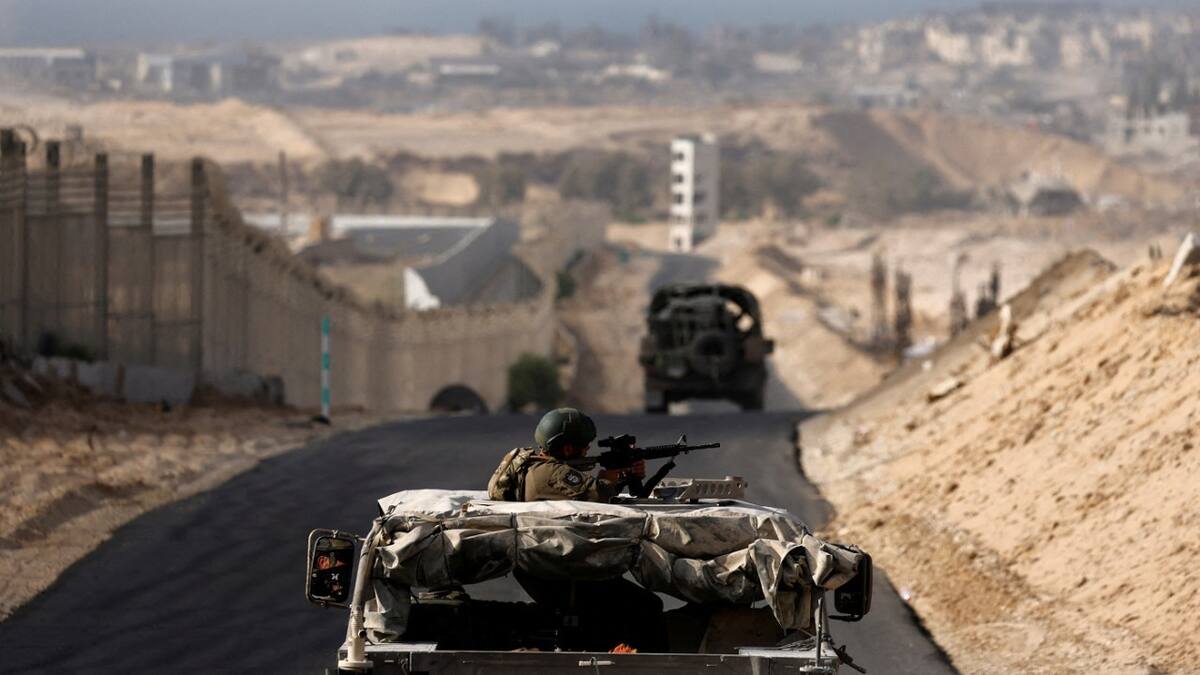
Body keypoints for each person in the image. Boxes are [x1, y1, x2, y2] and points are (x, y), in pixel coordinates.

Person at [489, 408, 667, 652]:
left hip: (549, 564)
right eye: (583, 446)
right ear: (567, 448)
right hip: (564, 573)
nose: (587, 451)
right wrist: (612, 476)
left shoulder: (531, 466)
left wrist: (622, 476)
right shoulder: (549, 474)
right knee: (648, 606)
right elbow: (596, 492)